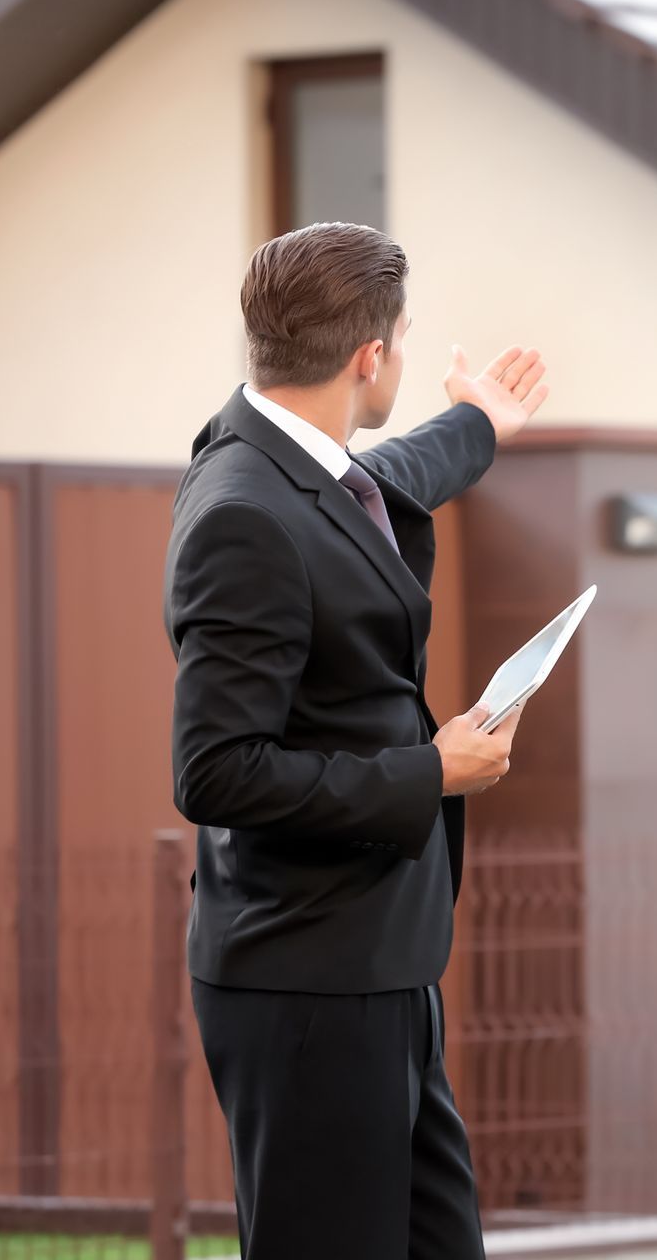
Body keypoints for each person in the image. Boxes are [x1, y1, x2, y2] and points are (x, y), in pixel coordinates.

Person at [165, 222, 549, 1259]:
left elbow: (383, 478)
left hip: (377, 965)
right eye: (403, 342)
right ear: (370, 356)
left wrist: (478, 423)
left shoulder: (284, 462)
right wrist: (434, 769)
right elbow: (215, 771)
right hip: (306, 983)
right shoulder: (243, 513)